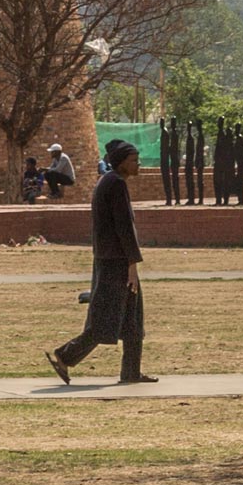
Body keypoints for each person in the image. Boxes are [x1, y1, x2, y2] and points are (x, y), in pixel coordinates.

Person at [45, 139, 157, 385]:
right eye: (134, 160)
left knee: (132, 318)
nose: (138, 164)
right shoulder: (115, 183)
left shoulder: (109, 181)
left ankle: (131, 372)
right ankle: (65, 355)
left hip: (110, 259)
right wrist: (132, 265)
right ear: (121, 163)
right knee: (105, 317)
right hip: (116, 263)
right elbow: (124, 228)